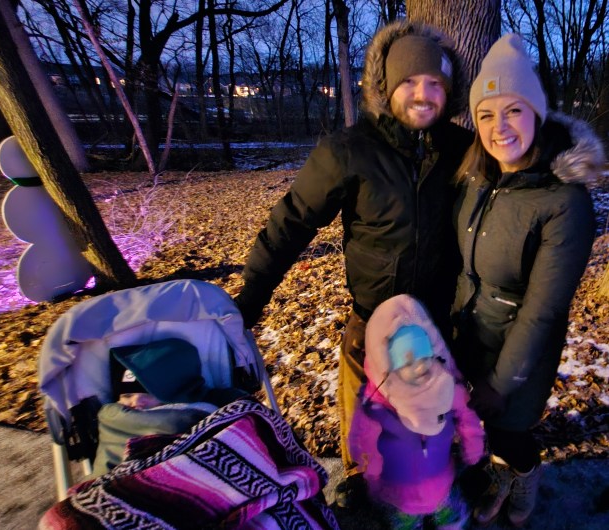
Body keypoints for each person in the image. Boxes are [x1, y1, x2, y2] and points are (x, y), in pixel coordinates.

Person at [234, 19, 472, 508]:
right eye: (409, 81)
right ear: (387, 87)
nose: (423, 94)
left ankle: (432, 476)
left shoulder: (463, 152)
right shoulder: (348, 151)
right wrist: (251, 298)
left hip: (437, 322)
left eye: (435, 83)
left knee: (428, 424)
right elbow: (290, 224)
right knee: (368, 423)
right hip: (373, 321)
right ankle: (361, 478)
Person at [451, 33, 604, 527]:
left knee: (512, 432)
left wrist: (501, 380)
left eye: (513, 110)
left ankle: (526, 478)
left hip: (520, 348)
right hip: (470, 332)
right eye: (487, 115)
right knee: (489, 430)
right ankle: (501, 474)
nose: (500, 128)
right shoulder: (478, 178)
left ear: (536, 113)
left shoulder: (565, 202)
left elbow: (545, 306)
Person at [348, 294, 485, 530]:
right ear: (389, 364)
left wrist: (472, 446)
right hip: (397, 487)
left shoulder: (445, 387)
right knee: (404, 514)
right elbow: (362, 438)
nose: (420, 366)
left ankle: (446, 515)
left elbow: (467, 418)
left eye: (424, 355)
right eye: (408, 360)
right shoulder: (377, 404)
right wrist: (369, 469)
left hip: (441, 479)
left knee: (445, 503)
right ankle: (407, 520)